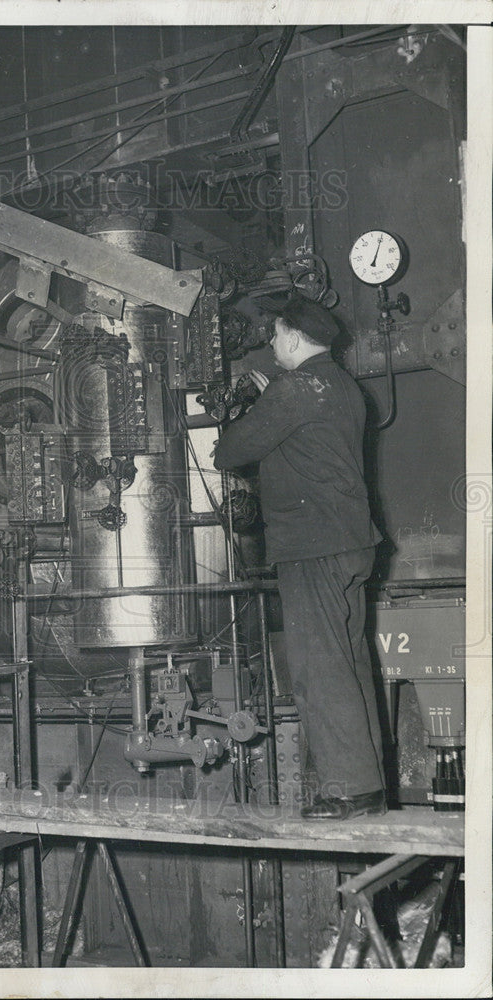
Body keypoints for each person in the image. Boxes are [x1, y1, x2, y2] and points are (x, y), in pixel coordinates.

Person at [213, 293, 386, 820]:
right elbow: (302, 434)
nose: (270, 342)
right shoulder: (341, 386)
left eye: (275, 334)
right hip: (353, 543)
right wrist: (273, 404)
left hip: (313, 546)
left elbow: (229, 451)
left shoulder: (294, 390)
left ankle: (347, 790)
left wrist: (252, 410)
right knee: (352, 664)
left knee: (318, 667)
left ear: (291, 335)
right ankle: (371, 785)